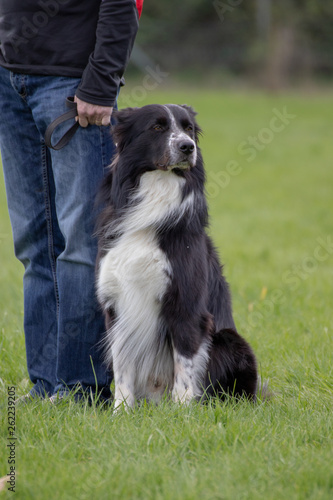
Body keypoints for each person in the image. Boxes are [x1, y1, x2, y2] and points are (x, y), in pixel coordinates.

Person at [0, 0, 143, 403]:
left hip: (73, 84)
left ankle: (81, 388)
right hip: (8, 79)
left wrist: (101, 81)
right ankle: (46, 383)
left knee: (82, 244)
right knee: (33, 242)